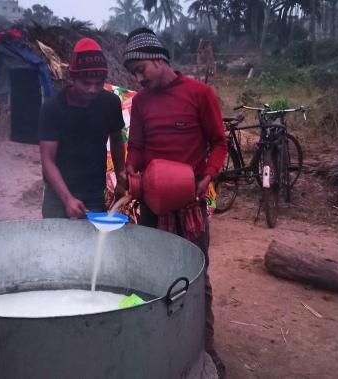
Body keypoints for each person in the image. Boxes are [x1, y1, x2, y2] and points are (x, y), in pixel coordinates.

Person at [121, 27, 228, 376]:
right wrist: (131, 170)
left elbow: (219, 143)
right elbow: (136, 146)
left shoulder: (200, 94)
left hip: (189, 205)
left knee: (196, 276)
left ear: (159, 60)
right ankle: (161, 341)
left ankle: (204, 347)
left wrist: (208, 176)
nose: (139, 79)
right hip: (153, 206)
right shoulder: (140, 103)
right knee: (153, 274)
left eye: (142, 71)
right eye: (134, 74)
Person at [39, 38, 126, 219]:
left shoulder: (110, 103)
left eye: (99, 83)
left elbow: (117, 139)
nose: (93, 89)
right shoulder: (52, 108)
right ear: (72, 78)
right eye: (86, 84)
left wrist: (120, 178)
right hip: (57, 195)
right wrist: (67, 199)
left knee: (92, 246)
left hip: (94, 193)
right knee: (53, 244)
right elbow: (48, 160)